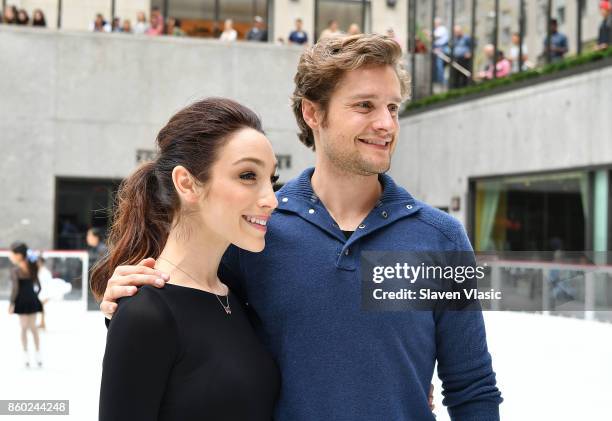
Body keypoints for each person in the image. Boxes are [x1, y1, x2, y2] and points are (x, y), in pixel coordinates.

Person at [100, 34, 502, 420]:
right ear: (313, 113)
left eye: (393, 108)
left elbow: (472, 387)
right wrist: (127, 306)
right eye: (365, 105)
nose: (386, 124)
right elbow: (194, 328)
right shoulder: (255, 232)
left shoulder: (441, 238)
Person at [92, 97, 280, 420]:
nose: (271, 200)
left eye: (271, 180)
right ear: (186, 183)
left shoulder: (235, 294)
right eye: (248, 176)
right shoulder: (146, 314)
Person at [8, 242, 43, 368]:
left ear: (18, 255)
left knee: (23, 328)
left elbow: (15, 289)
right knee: (33, 328)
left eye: (12, 254)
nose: (10, 256)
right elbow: (39, 286)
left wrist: (11, 304)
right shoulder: (33, 266)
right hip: (32, 299)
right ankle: (37, 354)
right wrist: (34, 296)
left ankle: (26, 355)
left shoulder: (16, 270)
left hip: (21, 300)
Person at [449, 25, 473, 89]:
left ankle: (465, 88)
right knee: (455, 76)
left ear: (461, 31)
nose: (457, 33)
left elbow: (472, 46)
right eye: (455, 32)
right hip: (456, 59)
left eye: (458, 31)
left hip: (464, 59)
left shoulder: (466, 38)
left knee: (465, 75)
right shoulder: (453, 39)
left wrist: (470, 53)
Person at [432, 17, 449, 87]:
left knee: (440, 66)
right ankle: (439, 80)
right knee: (438, 66)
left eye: (435, 23)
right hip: (437, 48)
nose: (435, 24)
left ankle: (441, 81)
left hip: (442, 48)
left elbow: (436, 37)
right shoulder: (436, 29)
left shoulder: (442, 29)